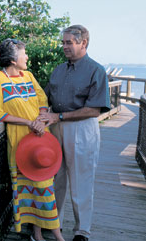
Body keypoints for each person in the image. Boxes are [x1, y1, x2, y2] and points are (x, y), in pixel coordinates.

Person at [0, 38, 65, 241]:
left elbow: (41, 98)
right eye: (24, 53)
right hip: (21, 142)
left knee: (44, 187)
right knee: (35, 190)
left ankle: (39, 235)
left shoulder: (28, 76)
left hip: (41, 140)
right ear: (13, 60)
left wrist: (39, 119)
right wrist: (28, 123)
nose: (27, 57)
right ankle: (55, 236)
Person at [38, 25, 111, 241]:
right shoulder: (58, 69)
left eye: (69, 42)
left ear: (83, 43)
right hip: (55, 128)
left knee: (81, 181)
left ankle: (82, 231)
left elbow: (94, 110)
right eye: (63, 42)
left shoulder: (96, 71)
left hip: (82, 128)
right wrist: (43, 116)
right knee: (55, 179)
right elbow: (46, 99)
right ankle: (54, 224)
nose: (64, 46)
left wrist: (58, 117)